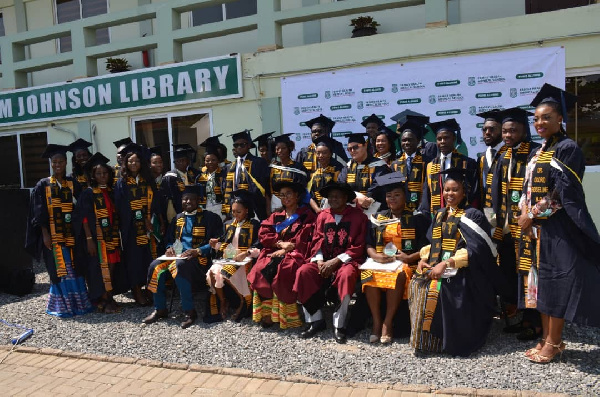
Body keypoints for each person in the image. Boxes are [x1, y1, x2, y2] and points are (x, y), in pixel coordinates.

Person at [517, 84, 600, 363]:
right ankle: (544, 339)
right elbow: (527, 188)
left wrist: (533, 214)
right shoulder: (537, 151)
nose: (540, 123)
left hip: (559, 228)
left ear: (560, 119)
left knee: (557, 283)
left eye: (546, 117)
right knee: (540, 283)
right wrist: (522, 211)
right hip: (536, 231)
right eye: (536, 118)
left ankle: (555, 342)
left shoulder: (568, 149)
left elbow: (561, 195)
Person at [408, 168, 498, 356]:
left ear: (464, 192)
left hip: (465, 270)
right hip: (439, 265)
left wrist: (446, 264)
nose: (449, 194)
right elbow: (433, 244)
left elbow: (475, 251)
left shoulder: (473, 215)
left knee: (444, 287)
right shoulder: (440, 214)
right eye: (447, 190)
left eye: (455, 190)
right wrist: (424, 259)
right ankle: (426, 341)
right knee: (417, 283)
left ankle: (450, 342)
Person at [487, 108, 541, 340]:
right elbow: (494, 191)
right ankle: (521, 317)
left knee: (530, 274)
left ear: (524, 130)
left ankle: (535, 323)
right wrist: (493, 221)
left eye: (513, 131)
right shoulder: (503, 154)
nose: (508, 135)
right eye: (506, 131)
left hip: (526, 228)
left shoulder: (536, 153)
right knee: (509, 272)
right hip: (506, 228)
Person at [294, 182, 368, 343]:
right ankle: (315, 320)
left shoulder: (358, 217)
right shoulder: (323, 216)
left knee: (347, 275)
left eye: (337, 196)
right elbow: (317, 240)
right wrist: (319, 260)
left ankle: (338, 324)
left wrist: (336, 261)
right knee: (304, 272)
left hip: (347, 261)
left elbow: (359, 246)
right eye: (331, 196)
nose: (333, 199)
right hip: (323, 260)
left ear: (346, 198)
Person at [25, 144, 93, 317]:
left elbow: (83, 207)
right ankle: (62, 306)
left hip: (72, 235)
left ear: (65, 163)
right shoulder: (43, 184)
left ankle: (78, 304)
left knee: (74, 266)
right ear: (51, 163)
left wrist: (85, 234)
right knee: (58, 268)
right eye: (54, 162)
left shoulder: (72, 183)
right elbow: (39, 213)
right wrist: (45, 234)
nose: (57, 165)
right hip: (53, 236)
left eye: (61, 161)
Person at [362, 172, 430, 344]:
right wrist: (376, 255)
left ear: (405, 197)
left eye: (397, 195)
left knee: (399, 274)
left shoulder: (417, 219)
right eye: (389, 195)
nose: (392, 199)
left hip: (407, 263)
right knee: (367, 274)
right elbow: (369, 244)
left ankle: (387, 322)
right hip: (381, 262)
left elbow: (427, 248)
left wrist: (409, 258)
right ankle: (376, 322)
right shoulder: (378, 218)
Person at [144, 185, 223, 328]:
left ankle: (189, 311)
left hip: (198, 260)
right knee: (154, 266)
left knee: (180, 266)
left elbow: (216, 242)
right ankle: (160, 308)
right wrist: (169, 248)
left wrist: (198, 250)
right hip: (177, 258)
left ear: (198, 200)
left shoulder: (210, 218)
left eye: (191, 199)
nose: (188, 202)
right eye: (185, 199)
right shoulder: (177, 218)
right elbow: (169, 239)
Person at [247, 181, 317, 329]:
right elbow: (264, 233)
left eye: (289, 194)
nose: (285, 198)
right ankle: (267, 314)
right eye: (282, 195)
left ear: (297, 196)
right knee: (260, 269)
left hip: (296, 252)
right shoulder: (276, 215)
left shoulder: (306, 216)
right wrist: (279, 244)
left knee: (283, 270)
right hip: (274, 250)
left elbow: (305, 239)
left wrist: (286, 250)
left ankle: (285, 317)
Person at [74, 152, 125, 313]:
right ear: (93, 176)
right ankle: (102, 298)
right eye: (98, 174)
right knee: (98, 268)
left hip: (112, 236)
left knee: (112, 266)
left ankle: (108, 296)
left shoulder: (111, 191)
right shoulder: (89, 193)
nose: (102, 176)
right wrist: (89, 239)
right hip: (97, 238)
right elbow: (83, 218)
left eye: (105, 173)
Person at [204, 190, 260, 323]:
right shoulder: (228, 225)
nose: (235, 215)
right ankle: (223, 301)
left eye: (238, 212)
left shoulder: (254, 225)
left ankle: (243, 302)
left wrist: (246, 253)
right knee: (213, 272)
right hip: (229, 258)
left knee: (225, 271)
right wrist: (214, 244)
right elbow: (224, 244)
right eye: (233, 211)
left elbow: (259, 246)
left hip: (246, 259)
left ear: (247, 210)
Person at [114, 143, 158, 306]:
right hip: (131, 229)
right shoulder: (122, 182)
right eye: (130, 161)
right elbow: (120, 207)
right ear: (125, 163)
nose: (134, 164)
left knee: (149, 258)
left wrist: (151, 218)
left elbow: (156, 202)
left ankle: (149, 289)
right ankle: (136, 291)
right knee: (134, 261)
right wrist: (138, 219)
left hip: (149, 228)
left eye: (137, 161)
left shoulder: (148, 180)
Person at [419, 119, 479, 217]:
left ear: (454, 138)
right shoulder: (430, 165)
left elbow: (474, 192)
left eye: (446, 138)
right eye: (439, 139)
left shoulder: (467, 162)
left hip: (463, 214)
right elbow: (427, 194)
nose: (443, 142)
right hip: (438, 216)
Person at [222, 129, 270, 220]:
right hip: (236, 210)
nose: (239, 147)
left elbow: (267, 189)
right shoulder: (229, 167)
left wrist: (268, 210)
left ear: (248, 145)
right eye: (236, 145)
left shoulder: (259, 162)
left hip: (256, 208)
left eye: (242, 144)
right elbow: (226, 190)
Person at [338, 133, 389, 212]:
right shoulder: (348, 167)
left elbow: (379, 186)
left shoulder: (380, 165)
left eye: (355, 147)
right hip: (352, 211)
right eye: (349, 149)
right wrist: (356, 197)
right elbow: (340, 186)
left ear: (365, 145)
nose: (352, 151)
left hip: (376, 211)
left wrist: (367, 198)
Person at [390, 116, 431, 212]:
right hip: (402, 209)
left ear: (417, 141)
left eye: (410, 140)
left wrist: (423, 207)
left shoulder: (427, 162)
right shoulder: (395, 164)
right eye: (404, 140)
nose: (407, 143)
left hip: (422, 208)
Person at [268, 133, 309, 212]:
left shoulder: (298, 168)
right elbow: (268, 191)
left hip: (294, 207)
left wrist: (286, 206)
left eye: (283, 148)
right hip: (275, 206)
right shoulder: (272, 168)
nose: (280, 151)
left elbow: (302, 191)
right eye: (277, 149)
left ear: (289, 148)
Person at [307, 135, 345, 213]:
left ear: (331, 154)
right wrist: (317, 209)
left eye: (324, 153)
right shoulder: (315, 173)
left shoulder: (338, 171)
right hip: (317, 212)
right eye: (318, 153)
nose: (321, 156)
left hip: (334, 212)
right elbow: (310, 196)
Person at [476, 110, 505, 208]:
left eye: (492, 129)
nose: (487, 133)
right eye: (484, 130)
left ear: (502, 130)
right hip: (488, 210)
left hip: (508, 210)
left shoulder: (510, 153)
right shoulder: (482, 158)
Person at [163, 143, 199, 219]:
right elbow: (169, 200)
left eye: (183, 160)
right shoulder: (169, 177)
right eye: (178, 161)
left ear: (188, 162)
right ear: (175, 163)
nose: (181, 163)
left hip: (194, 211)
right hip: (177, 212)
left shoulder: (194, 174)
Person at [195, 144, 226, 219]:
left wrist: (227, 213)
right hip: (205, 209)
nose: (210, 162)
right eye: (207, 160)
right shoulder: (200, 177)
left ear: (218, 161)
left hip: (220, 208)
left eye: (213, 160)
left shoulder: (224, 175)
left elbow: (227, 195)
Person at [148, 146, 168, 258]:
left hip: (165, 219)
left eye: (160, 162)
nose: (159, 164)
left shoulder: (166, 179)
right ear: (149, 165)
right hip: (153, 219)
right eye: (155, 162)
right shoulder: (147, 182)